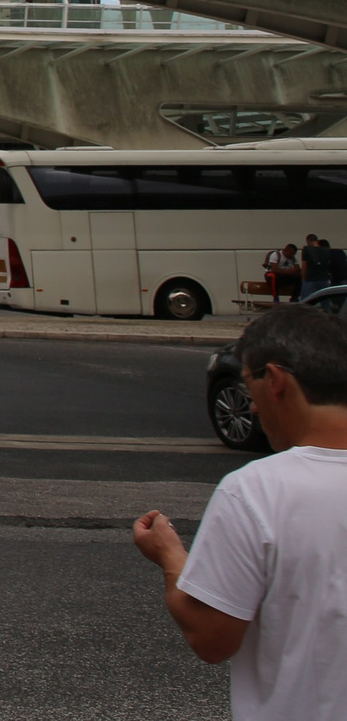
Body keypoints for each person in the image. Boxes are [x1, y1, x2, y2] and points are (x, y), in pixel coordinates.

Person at [133, 304, 347, 720]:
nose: (251, 409)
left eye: (249, 390)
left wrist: (170, 556)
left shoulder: (256, 491)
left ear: (278, 381)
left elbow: (212, 638)